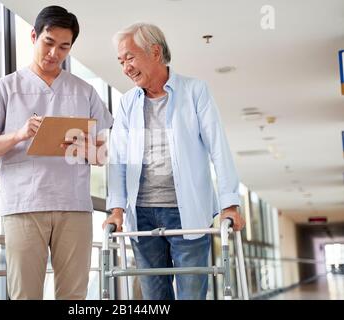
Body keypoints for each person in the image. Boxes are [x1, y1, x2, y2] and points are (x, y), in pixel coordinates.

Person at [0, 6, 113, 300]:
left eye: (64, 47)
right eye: (48, 42)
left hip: (74, 206)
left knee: (74, 296)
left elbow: (105, 153)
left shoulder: (85, 92)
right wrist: (19, 134)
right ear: (34, 36)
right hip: (24, 206)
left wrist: (87, 149)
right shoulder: (6, 88)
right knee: (25, 295)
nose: (54, 53)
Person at [103, 23, 245, 300]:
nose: (126, 68)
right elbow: (117, 158)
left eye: (130, 58)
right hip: (141, 214)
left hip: (186, 211)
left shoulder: (195, 91)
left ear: (155, 52)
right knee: (155, 299)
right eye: (121, 62)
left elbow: (219, 147)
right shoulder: (127, 102)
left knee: (191, 294)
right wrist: (117, 210)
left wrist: (230, 205)